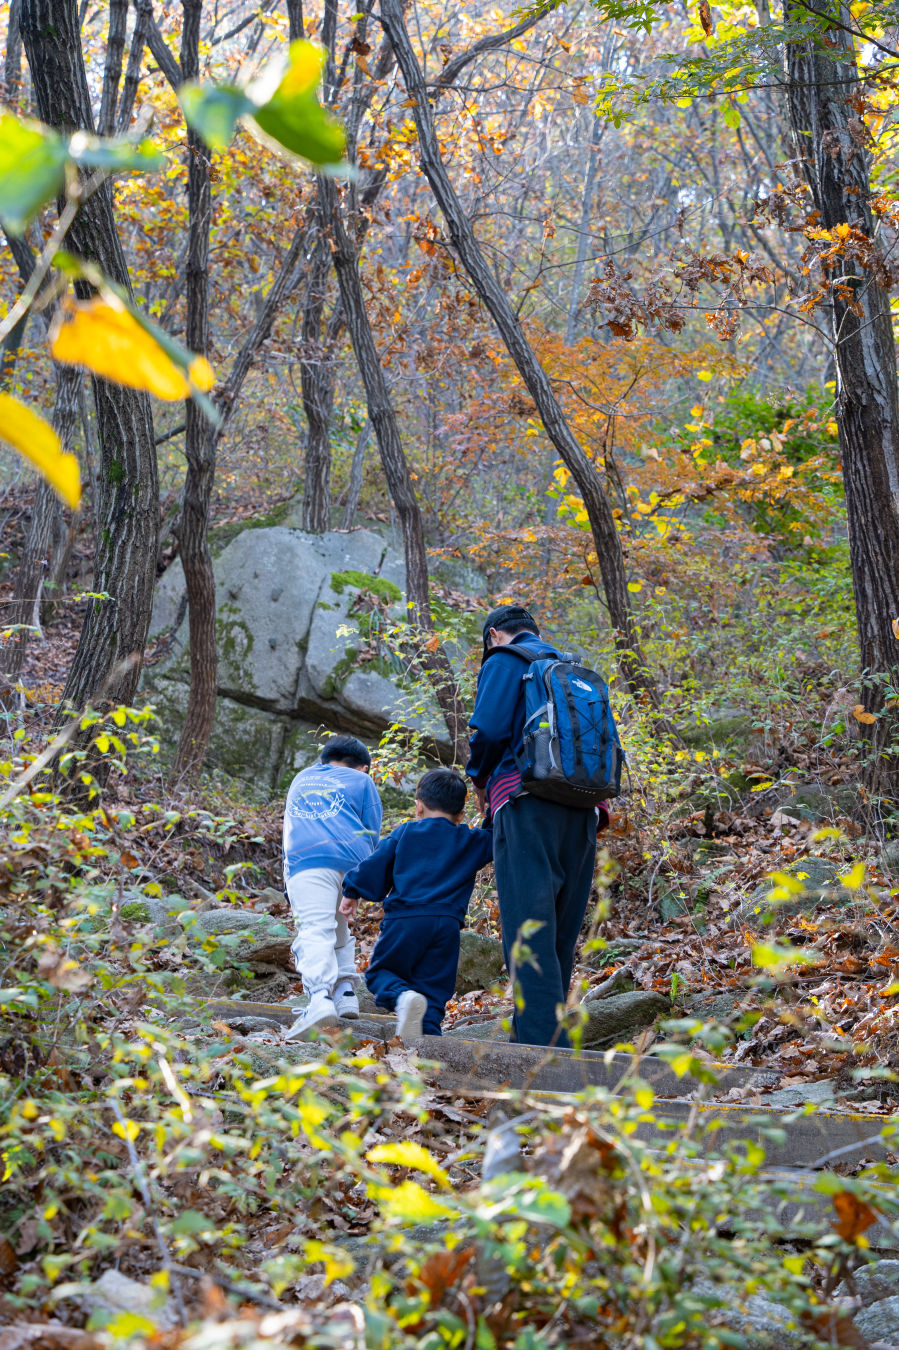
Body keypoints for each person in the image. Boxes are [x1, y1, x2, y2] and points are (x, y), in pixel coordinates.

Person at [465, 604, 609, 1049]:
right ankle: (547, 1035)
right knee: (561, 935)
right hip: (583, 809)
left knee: (529, 929)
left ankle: (539, 1050)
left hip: (525, 802)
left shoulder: (504, 661)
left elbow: (487, 730)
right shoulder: (571, 669)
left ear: (494, 635)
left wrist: (479, 781)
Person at [339, 769, 493, 1040]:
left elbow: (376, 864)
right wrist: (492, 809)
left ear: (419, 806)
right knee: (433, 987)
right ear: (460, 814)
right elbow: (495, 837)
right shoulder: (470, 839)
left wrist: (352, 890)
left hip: (405, 920)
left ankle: (402, 998)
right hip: (447, 925)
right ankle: (429, 1039)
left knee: (380, 973)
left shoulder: (406, 832)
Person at [282, 735, 383, 1041]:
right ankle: (345, 993)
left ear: (323, 760)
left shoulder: (300, 779)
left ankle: (318, 1000)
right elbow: (372, 829)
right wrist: (364, 874)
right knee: (337, 926)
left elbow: (288, 828)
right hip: (352, 862)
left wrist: (288, 882)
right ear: (363, 767)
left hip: (307, 859)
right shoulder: (363, 782)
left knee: (314, 928)